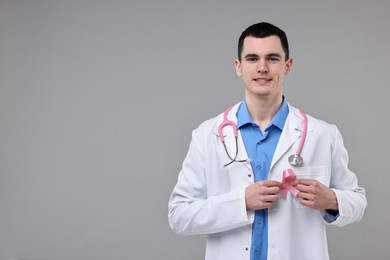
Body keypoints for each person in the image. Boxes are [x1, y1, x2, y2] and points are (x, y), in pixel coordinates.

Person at [168, 22, 367, 260]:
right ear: (238, 67)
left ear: (288, 66)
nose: (262, 67)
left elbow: (357, 200)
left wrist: (333, 200)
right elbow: (179, 215)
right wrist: (242, 202)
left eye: (272, 58)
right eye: (252, 59)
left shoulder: (322, 134)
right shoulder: (206, 135)